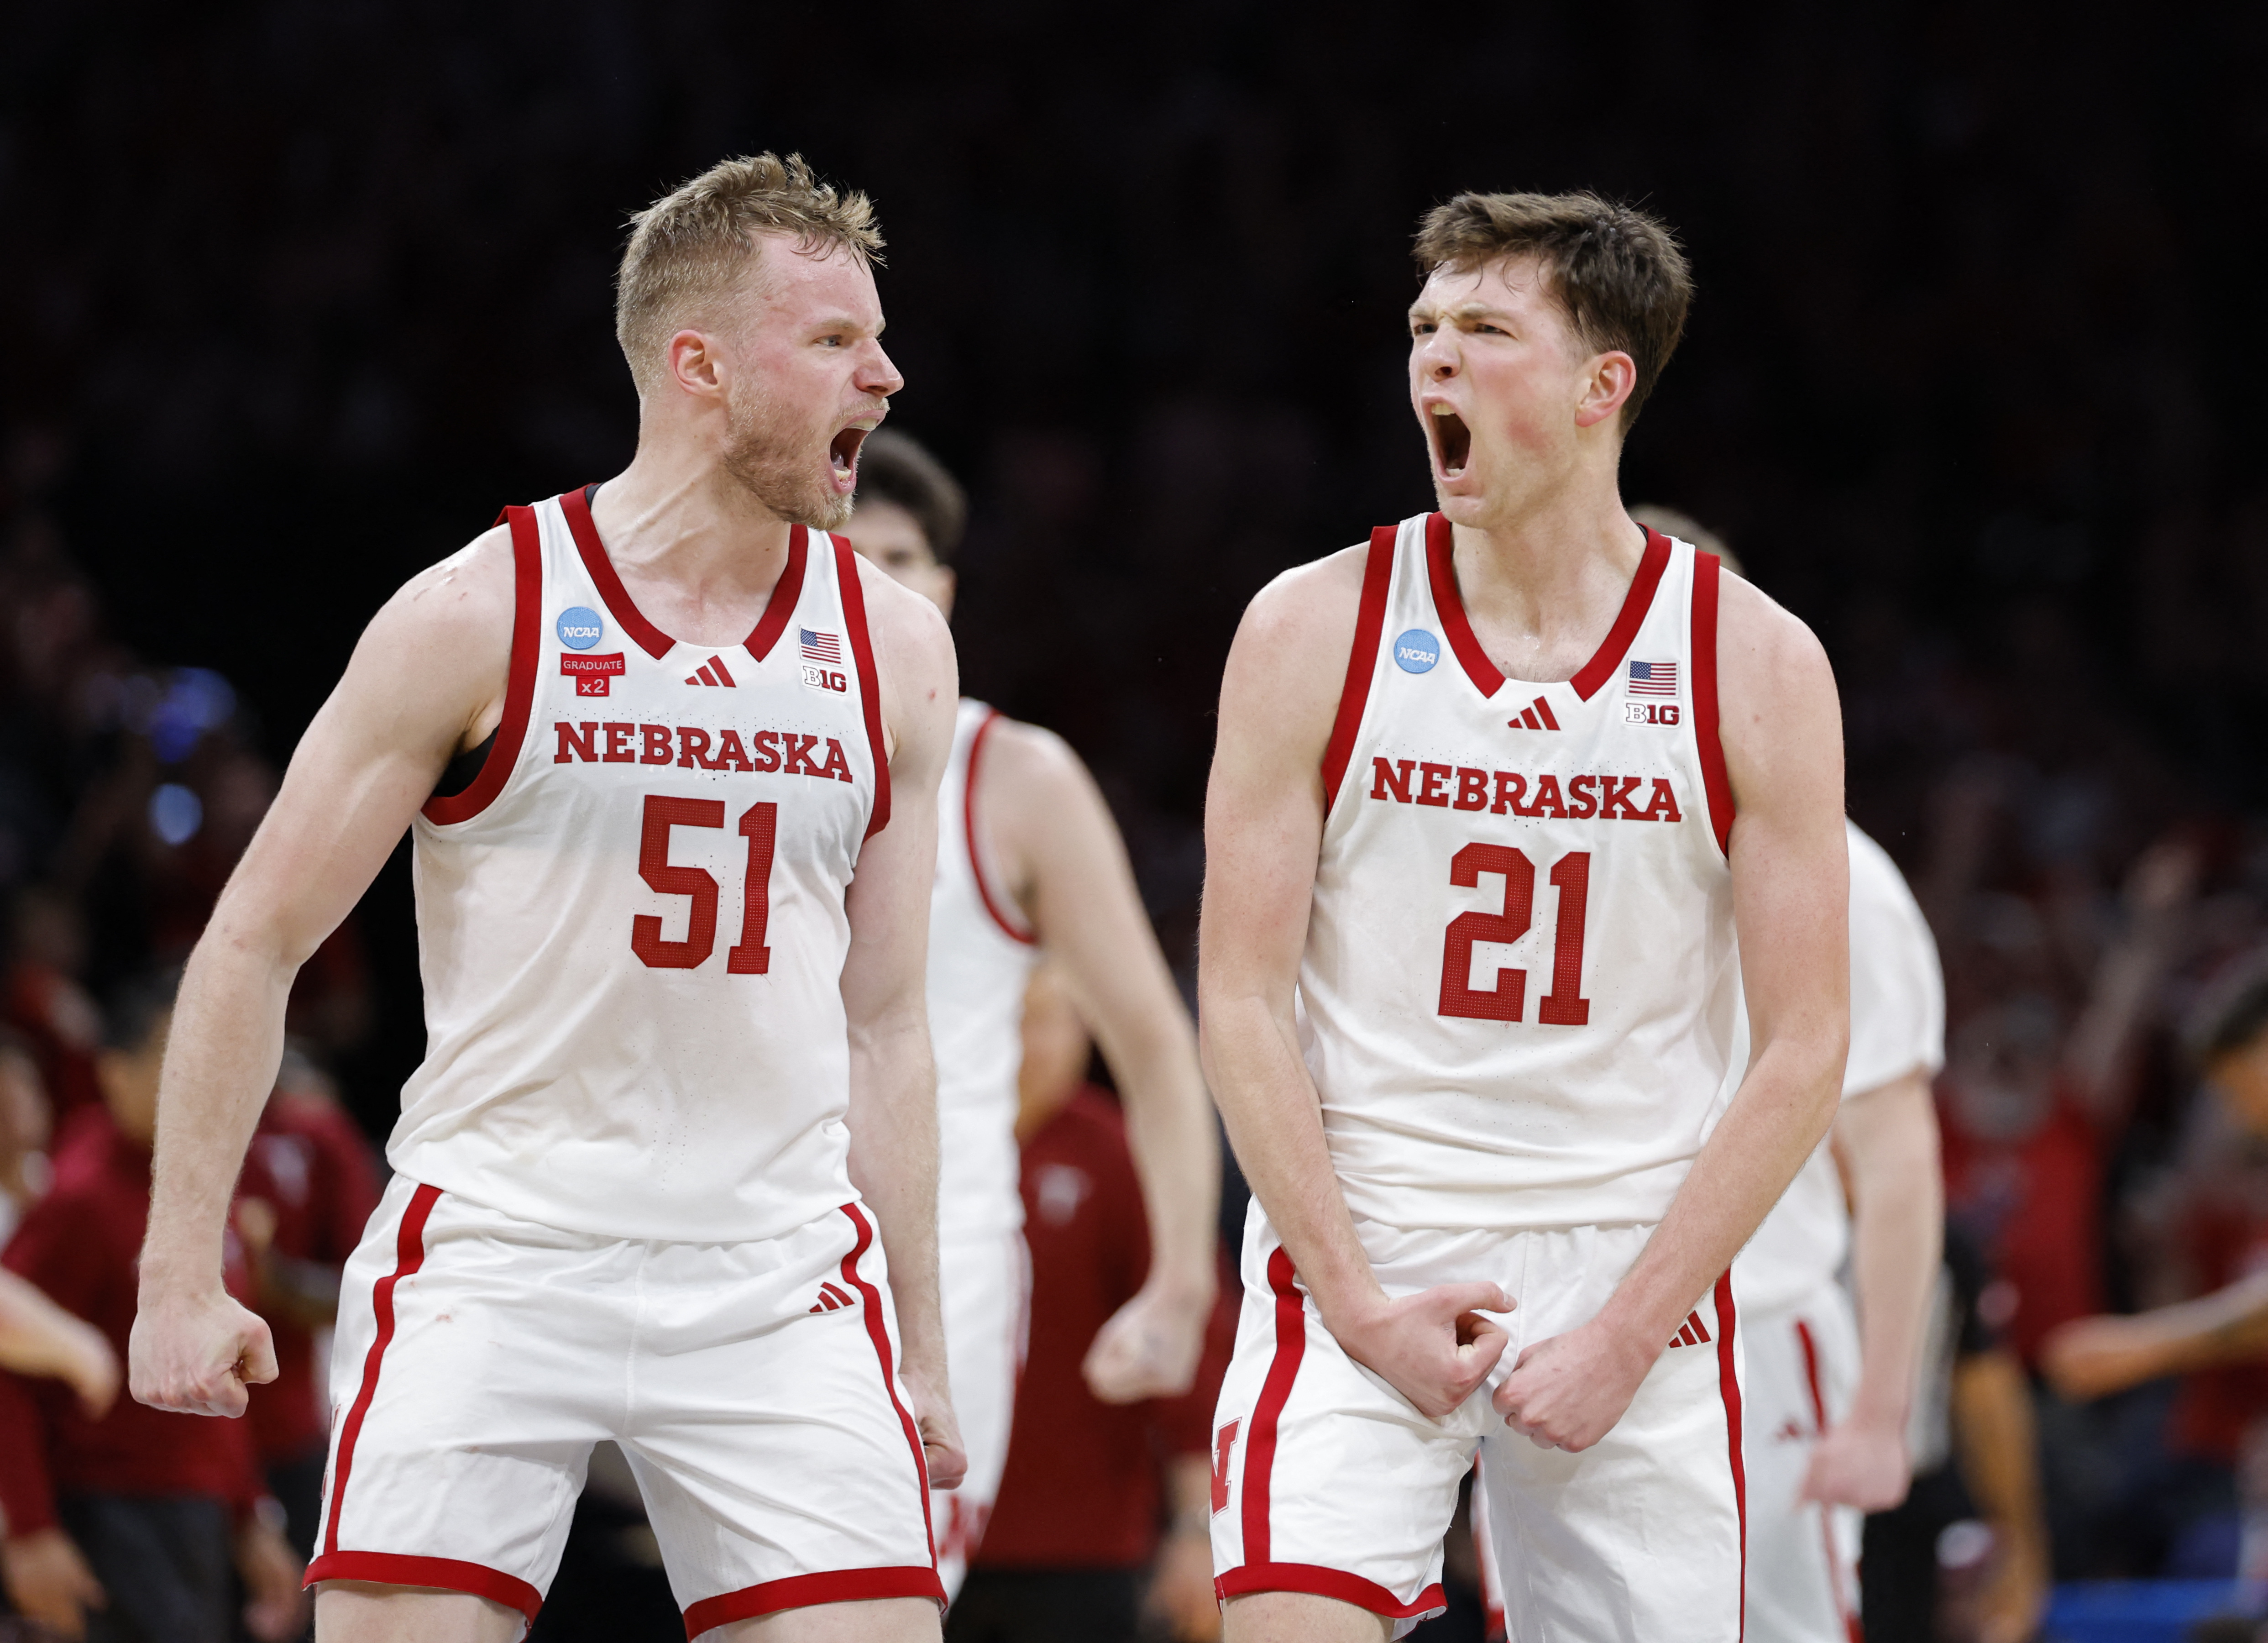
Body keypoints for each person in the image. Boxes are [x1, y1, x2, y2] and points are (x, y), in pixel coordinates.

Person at [126, 153, 966, 1643]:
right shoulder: (484, 610)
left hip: (777, 1276)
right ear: (700, 366)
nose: (887, 377)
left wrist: (928, 1347)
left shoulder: (896, 647)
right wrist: (179, 1272)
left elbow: (890, 1026)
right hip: (505, 1250)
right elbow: (252, 941)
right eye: (837, 342)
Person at [1198, 191, 1850, 1641]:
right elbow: (1239, 1001)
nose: (1434, 362)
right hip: (1367, 1238)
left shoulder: (1755, 659)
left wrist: (1625, 1333)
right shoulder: (1311, 625)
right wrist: (1354, 1300)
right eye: (1423, 329)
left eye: (1485, 330)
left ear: (1601, 384)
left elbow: (1807, 1045)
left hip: (1633, 1265)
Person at [842, 432, 1220, 1594]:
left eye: (899, 557)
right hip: (717, 1232)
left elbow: (1156, 1048)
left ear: (945, 589)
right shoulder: (704, 743)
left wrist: (1183, 1282)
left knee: (876, 1609)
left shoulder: (1015, 777)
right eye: (840, 556)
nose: (872, 582)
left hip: (936, 1257)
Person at [1628, 507, 1947, 1643]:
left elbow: (1896, 1159)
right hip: (1571, 1336)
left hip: (1755, 1338)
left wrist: (1881, 1412)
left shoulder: (1841, 876)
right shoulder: (1555, 841)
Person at [0, 970, 305, 1643]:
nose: (205, 1078)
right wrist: (31, 1531)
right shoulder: (79, 1199)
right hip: (103, 1514)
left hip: (195, 1512)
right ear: (114, 1072)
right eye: (179, 1056)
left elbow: (222, 1377)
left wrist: (251, 1514)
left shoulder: (213, 1189)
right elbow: (6, 1371)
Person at [944, 966, 1233, 1643]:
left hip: (1084, 1549)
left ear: (1083, 1033)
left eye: (1047, 1020)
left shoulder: (1119, 1152)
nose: (1027, 1043)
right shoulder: (915, 1146)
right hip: (919, 1535)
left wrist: (1197, 1535)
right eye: (1010, 1019)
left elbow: (1196, 1358)